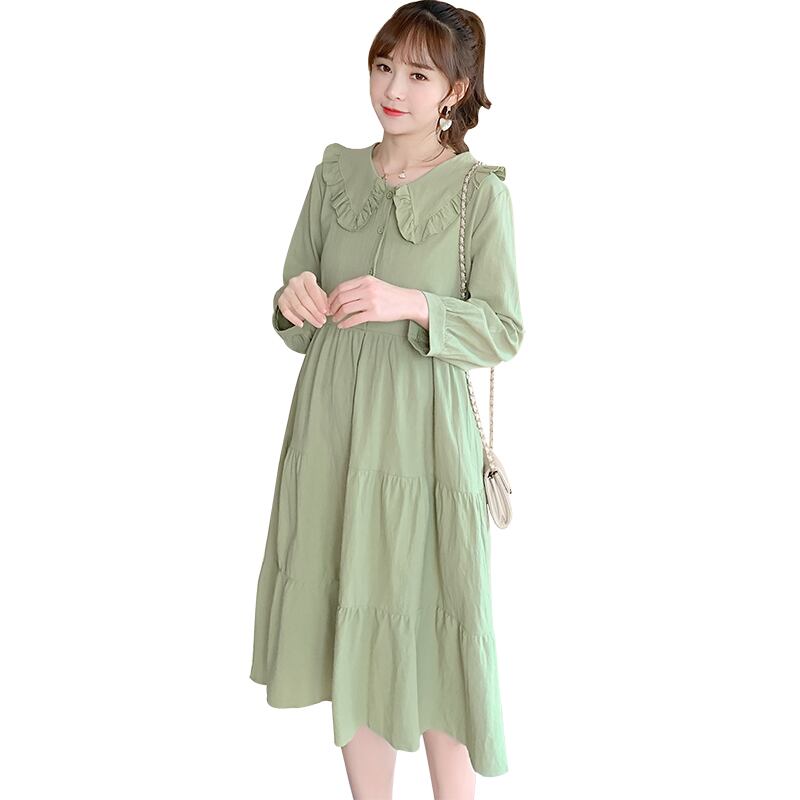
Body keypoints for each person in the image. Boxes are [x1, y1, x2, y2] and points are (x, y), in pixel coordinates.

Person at [249, 2, 524, 797]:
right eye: (383, 66)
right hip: (331, 433)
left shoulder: (477, 194)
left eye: (417, 74)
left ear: (455, 90)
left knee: (435, 631)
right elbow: (294, 309)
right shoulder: (334, 173)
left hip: (421, 443)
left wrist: (412, 304)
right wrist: (293, 298)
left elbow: (504, 330)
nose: (392, 89)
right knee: (353, 625)